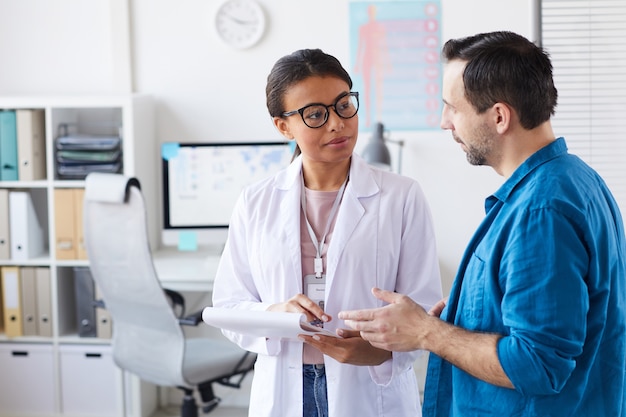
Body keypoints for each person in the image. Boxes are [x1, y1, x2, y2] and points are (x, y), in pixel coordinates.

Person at [339, 31, 626, 416]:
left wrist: (427, 333)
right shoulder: (574, 180)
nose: (444, 123)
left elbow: (538, 364)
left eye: (452, 108)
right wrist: (461, 313)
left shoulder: (541, 211)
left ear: (499, 116)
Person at [211, 48, 442, 417]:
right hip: (285, 388)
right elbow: (228, 306)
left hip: (368, 386)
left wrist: (380, 351)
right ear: (282, 126)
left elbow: (425, 306)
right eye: (315, 114)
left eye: (344, 105)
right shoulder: (255, 201)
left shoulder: (401, 196)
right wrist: (275, 313)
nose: (337, 123)